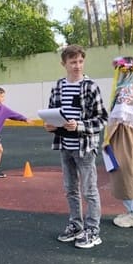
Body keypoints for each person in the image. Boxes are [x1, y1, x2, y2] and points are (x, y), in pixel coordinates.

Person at [45, 45, 108, 250]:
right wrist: (50, 125)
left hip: (85, 147)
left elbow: (102, 119)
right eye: (73, 62)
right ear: (64, 64)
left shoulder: (90, 87)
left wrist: (80, 125)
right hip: (65, 145)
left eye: (80, 61)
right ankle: (76, 225)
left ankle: (93, 230)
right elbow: (53, 113)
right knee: (70, 189)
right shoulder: (58, 86)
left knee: (89, 190)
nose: (77, 66)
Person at [106, 57, 133, 229]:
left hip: (125, 135)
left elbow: (117, 117)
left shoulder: (125, 90)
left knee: (125, 172)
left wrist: (106, 139)